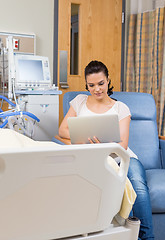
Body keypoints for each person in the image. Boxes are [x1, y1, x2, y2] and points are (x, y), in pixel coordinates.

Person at [58, 60, 154, 240]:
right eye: (91, 85)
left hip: (124, 158)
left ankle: (148, 238)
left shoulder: (121, 108)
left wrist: (97, 145)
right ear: (86, 85)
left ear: (108, 80)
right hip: (92, 159)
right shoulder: (79, 101)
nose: (97, 89)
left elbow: (123, 146)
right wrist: (87, 145)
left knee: (138, 189)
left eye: (101, 83)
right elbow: (62, 130)